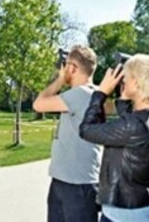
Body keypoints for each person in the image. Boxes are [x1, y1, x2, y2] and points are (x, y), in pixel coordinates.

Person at [79, 54, 149, 222]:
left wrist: (100, 94)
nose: (122, 81)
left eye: (127, 78)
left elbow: (86, 130)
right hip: (148, 209)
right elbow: (133, 136)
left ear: (137, 83)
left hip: (122, 215)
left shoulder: (133, 126)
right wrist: (123, 101)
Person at [34, 45, 102, 222]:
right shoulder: (93, 94)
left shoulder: (80, 94)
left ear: (72, 68)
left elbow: (38, 104)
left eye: (66, 65)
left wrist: (59, 80)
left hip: (75, 186)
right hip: (70, 181)